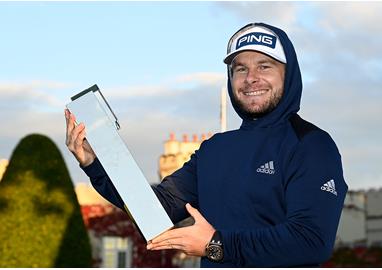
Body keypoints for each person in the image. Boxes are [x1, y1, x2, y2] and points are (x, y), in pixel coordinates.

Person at [65, 22, 348, 267]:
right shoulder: (214, 150)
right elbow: (155, 210)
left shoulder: (312, 145)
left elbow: (311, 240)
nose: (251, 78)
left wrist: (216, 244)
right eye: (240, 69)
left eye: (265, 66)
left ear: (289, 74)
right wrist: (97, 163)